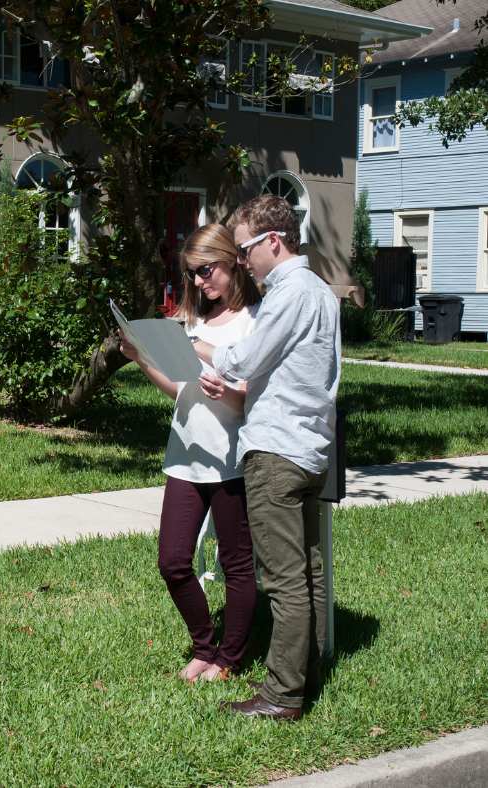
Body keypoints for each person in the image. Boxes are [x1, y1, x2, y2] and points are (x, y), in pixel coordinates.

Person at [192, 195, 341, 721]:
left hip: (277, 448)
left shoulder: (290, 291)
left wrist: (199, 346)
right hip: (309, 446)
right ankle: (311, 668)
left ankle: (282, 696)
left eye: (245, 249)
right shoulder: (320, 291)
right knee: (309, 570)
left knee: (283, 577)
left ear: (272, 242)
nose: (242, 261)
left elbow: (247, 358)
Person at [120, 223, 261, 683]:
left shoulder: (254, 322)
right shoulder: (195, 323)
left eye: (206, 271)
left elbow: (252, 400)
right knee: (173, 560)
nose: (199, 282)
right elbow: (181, 389)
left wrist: (227, 392)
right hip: (185, 455)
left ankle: (230, 657)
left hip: (230, 458)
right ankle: (205, 645)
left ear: (233, 261)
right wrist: (142, 359)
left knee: (236, 564)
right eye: (192, 274)